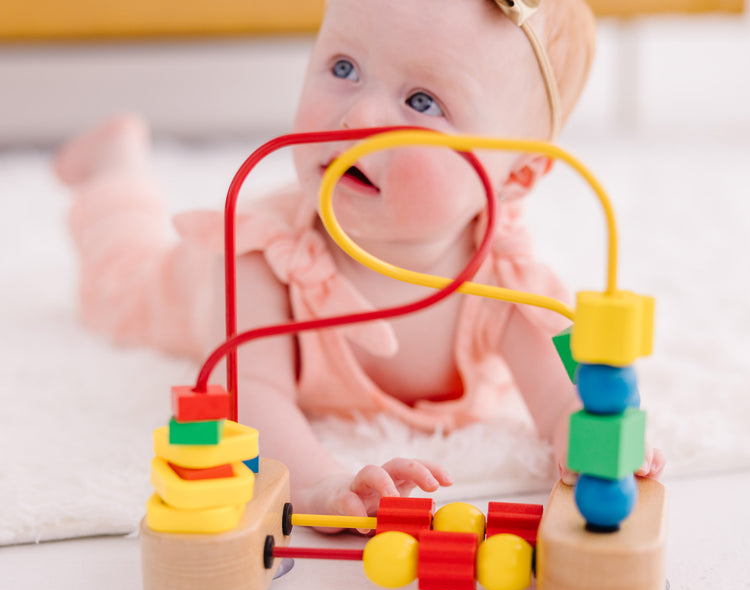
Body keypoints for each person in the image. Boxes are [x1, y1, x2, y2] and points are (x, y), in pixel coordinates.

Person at [55, 0, 664, 522]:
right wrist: (320, 482)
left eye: (422, 101)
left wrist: (596, 446)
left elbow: (564, 404)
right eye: (343, 67)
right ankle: (116, 171)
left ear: (517, 175)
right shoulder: (262, 260)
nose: (358, 118)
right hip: (184, 291)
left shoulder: (507, 287)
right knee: (118, 282)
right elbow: (251, 396)